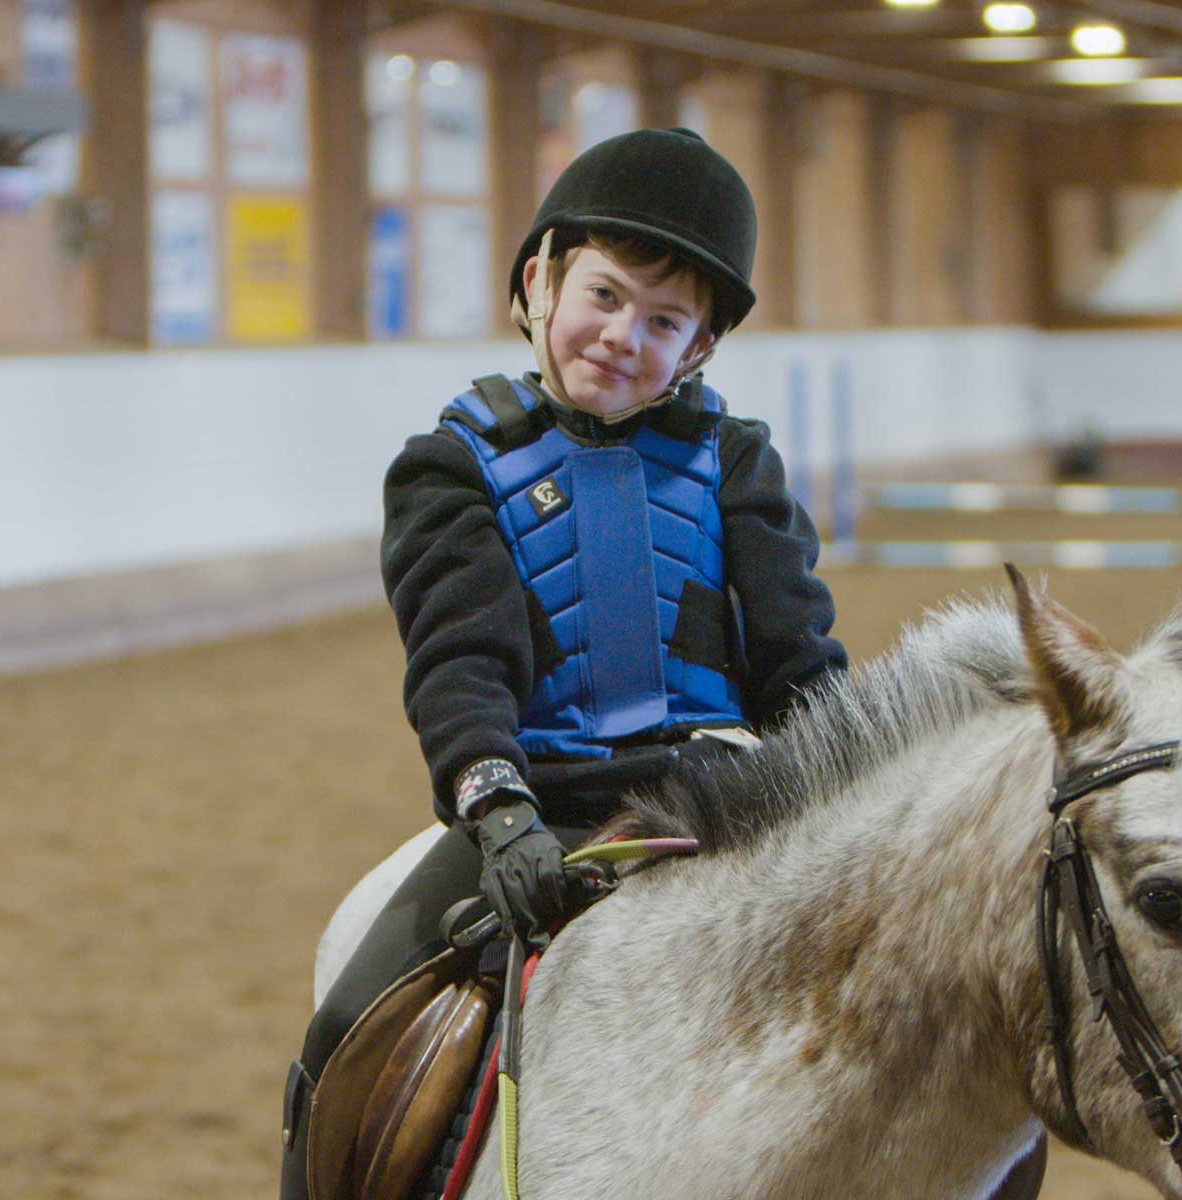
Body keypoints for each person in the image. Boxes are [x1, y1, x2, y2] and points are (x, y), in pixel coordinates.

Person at [280, 127, 847, 1200]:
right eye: (605, 295)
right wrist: (496, 812)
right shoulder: (451, 469)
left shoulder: (735, 464)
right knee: (354, 1016)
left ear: (700, 350)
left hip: (718, 799)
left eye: (663, 321)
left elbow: (798, 658)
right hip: (535, 817)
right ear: (540, 279)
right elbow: (462, 660)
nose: (622, 336)